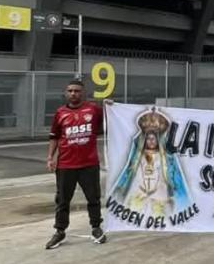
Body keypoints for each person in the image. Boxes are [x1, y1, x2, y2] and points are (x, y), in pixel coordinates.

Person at [45, 79, 107, 249]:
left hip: (89, 164)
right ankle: (60, 232)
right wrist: (50, 157)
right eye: (70, 91)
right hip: (66, 165)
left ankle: (96, 228)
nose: (73, 93)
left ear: (83, 93)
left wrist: (111, 106)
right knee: (63, 201)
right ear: (66, 93)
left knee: (93, 198)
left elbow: (112, 117)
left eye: (77, 91)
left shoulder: (93, 110)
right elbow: (54, 137)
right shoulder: (60, 113)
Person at [110, 107, 192, 218]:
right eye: (148, 138)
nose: (151, 141)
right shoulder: (138, 156)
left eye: (154, 138)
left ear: (158, 140)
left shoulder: (165, 157)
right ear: (144, 140)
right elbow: (131, 171)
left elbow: (172, 175)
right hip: (139, 192)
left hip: (160, 194)